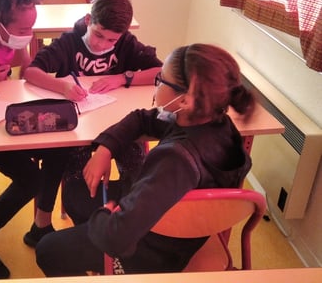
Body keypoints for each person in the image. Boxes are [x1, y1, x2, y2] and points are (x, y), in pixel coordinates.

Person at [35, 43, 255, 276]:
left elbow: (117, 238)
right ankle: (96, 253)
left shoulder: (176, 160)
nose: (156, 84)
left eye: (161, 80)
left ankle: (115, 265)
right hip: (179, 223)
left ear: (184, 100)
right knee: (74, 194)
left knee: (47, 250)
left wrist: (105, 216)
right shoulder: (215, 123)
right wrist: (105, 149)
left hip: (154, 250)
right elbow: (142, 119)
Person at [22, 0, 162, 245]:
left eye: (111, 40)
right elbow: (31, 72)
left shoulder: (126, 43)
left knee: (138, 171)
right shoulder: (69, 42)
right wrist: (62, 87)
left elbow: (160, 71)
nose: (102, 44)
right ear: (88, 20)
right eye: (98, 35)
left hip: (117, 125)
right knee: (77, 180)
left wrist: (123, 77)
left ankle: (131, 223)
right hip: (79, 127)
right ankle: (85, 230)